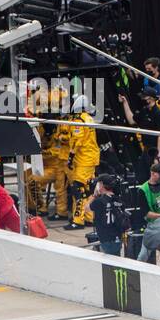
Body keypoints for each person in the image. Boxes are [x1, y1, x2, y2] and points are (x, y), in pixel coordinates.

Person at [62, 96, 100, 230]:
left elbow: (77, 141)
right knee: (88, 188)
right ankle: (89, 218)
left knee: (77, 188)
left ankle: (78, 220)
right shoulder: (88, 117)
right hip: (91, 158)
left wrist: (70, 158)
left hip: (84, 159)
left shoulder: (79, 120)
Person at [134, 162, 160, 263]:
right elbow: (146, 213)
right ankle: (137, 270)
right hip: (153, 225)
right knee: (143, 255)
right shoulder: (143, 190)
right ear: (153, 174)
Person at [88, 175, 127, 255]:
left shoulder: (99, 201)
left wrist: (95, 195)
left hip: (106, 238)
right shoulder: (118, 199)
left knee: (108, 264)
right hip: (118, 237)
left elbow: (87, 208)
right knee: (117, 261)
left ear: (102, 185)